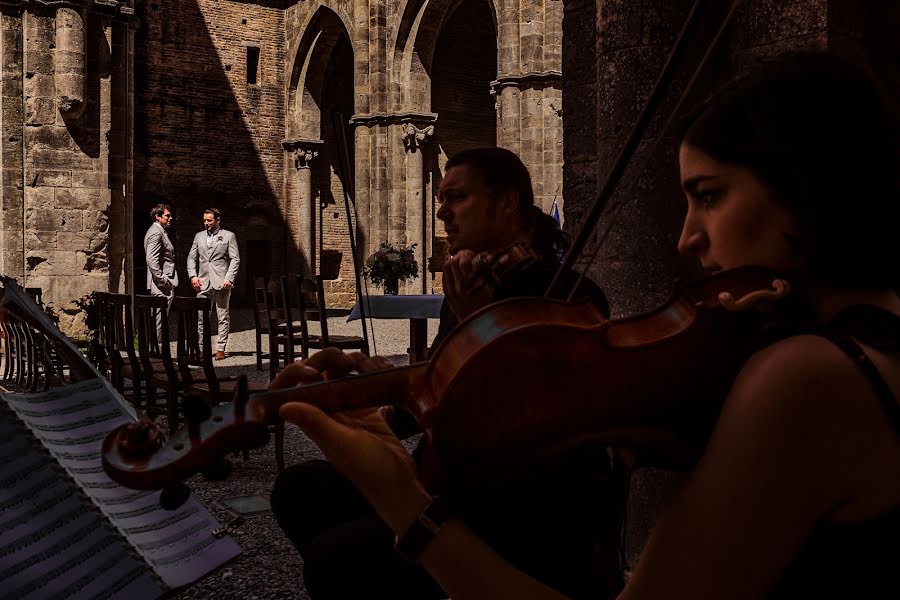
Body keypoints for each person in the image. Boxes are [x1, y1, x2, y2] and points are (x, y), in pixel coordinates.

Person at [274, 52, 900, 599]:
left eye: (709, 195)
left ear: (808, 186)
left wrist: (401, 499)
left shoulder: (807, 376)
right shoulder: (857, 341)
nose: (687, 238)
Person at [270, 147, 615, 600]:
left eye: (457, 197)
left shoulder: (567, 294)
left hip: (515, 499)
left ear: (508, 203)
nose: (440, 210)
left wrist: (478, 318)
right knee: (298, 488)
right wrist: (383, 397)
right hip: (448, 471)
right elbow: (437, 385)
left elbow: (529, 422)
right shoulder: (466, 279)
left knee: (334, 562)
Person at [186, 208, 240, 360]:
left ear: (217, 220)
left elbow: (235, 259)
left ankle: (221, 348)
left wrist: (229, 278)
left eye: (209, 220)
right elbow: (191, 257)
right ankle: (202, 348)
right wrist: (193, 276)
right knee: (201, 316)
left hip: (222, 282)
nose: (206, 223)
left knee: (222, 316)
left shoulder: (229, 236)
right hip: (202, 282)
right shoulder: (199, 236)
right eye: (204, 220)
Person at [143, 203, 178, 339]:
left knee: (160, 319)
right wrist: (163, 280)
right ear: (158, 217)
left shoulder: (159, 231)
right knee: (159, 319)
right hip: (160, 285)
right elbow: (151, 259)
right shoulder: (156, 232)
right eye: (167, 216)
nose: (171, 218)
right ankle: (157, 352)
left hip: (162, 283)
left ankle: (158, 351)